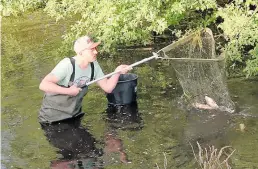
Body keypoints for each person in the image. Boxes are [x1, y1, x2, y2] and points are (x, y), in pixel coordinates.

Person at [38, 35, 131, 123]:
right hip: (52, 120)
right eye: (91, 49)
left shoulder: (94, 65)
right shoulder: (67, 65)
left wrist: (117, 72)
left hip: (74, 116)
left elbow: (108, 87)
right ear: (81, 52)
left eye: (95, 48)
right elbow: (44, 84)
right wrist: (69, 91)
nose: (96, 52)